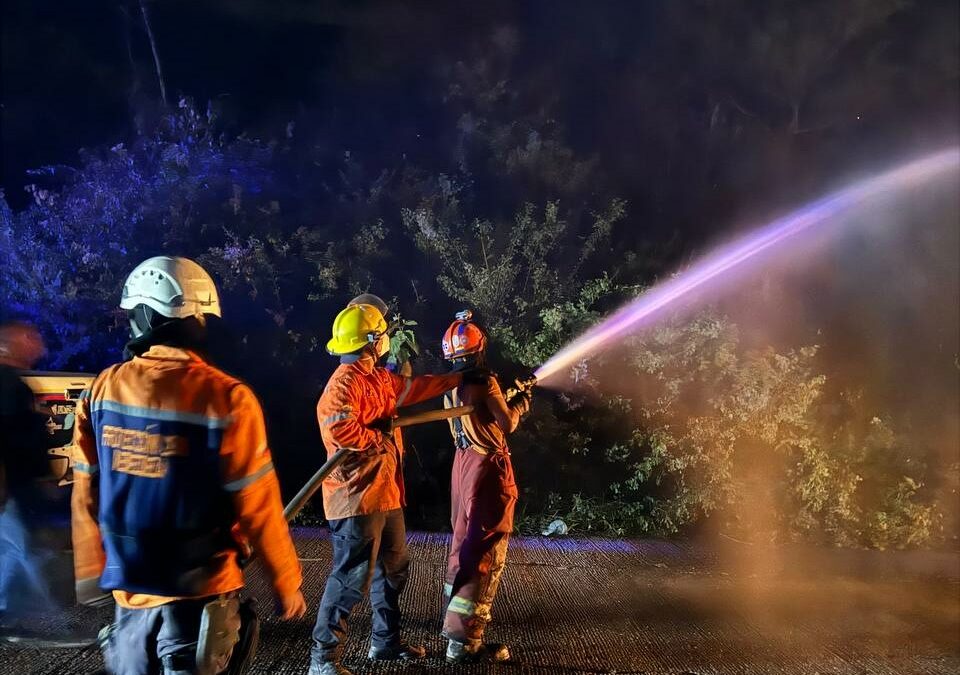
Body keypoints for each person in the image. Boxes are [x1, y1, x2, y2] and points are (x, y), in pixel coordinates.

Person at [71, 256, 306, 674]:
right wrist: (285, 582)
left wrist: (89, 568)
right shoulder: (227, 398)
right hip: (200, 594)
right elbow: (259, 506)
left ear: (144, 317)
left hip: (130, 590)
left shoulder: (102, 389)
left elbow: (85, 487)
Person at [309, 303, 465, 675]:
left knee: (394, 568)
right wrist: (375, 438)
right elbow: (337, 429)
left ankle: (385, 642)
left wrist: (457, 378)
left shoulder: (377, 378)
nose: (385, 343)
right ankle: (324, 659)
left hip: (385, 492)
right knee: (350, 579)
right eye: (381, 337)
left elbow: (412, 388)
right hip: (355, 498)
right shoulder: (343, 383)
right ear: (371, 342)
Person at [439, 310, 531, 663]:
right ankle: (467, 643)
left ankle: (453, 632)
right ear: (480, 348)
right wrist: (520, 405)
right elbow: (505, 424)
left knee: (463, 545)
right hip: (487, 469)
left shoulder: (449, 385)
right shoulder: (486, 382)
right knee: (486, 553)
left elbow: (475, 413)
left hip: (462, 467)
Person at [0, 321, 56, 628]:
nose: (39, 346)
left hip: (15, 485)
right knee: (18, 545)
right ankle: (42, 616)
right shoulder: (9, 385)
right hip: (9, 486)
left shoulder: (14, 384)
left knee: (18, 545)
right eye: (32, 339)